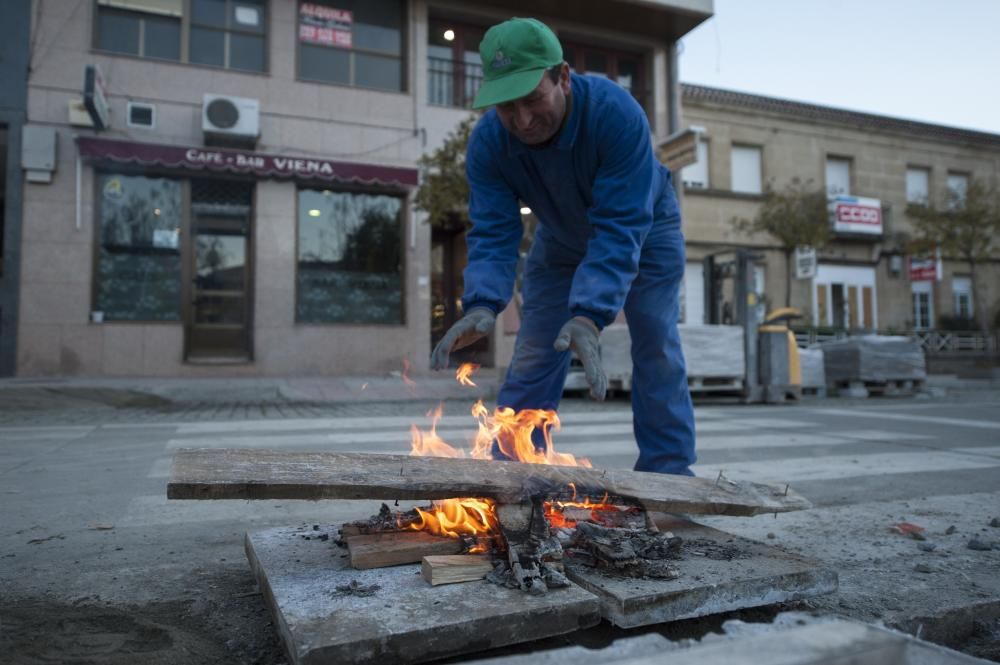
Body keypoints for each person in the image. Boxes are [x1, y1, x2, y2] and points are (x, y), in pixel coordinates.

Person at [430, 17, 696, 476]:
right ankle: (513, 473)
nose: (522, 120)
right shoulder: (489, 144)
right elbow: (493, 231)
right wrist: (482, 303)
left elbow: (619, 225)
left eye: (533, 99)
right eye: (506, 107)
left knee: (655, 341)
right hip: (560, 239)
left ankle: (669, 473)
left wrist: (589, 313)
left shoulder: (617, 115)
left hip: (646, 229)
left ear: (564, 78)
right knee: (535, 350)